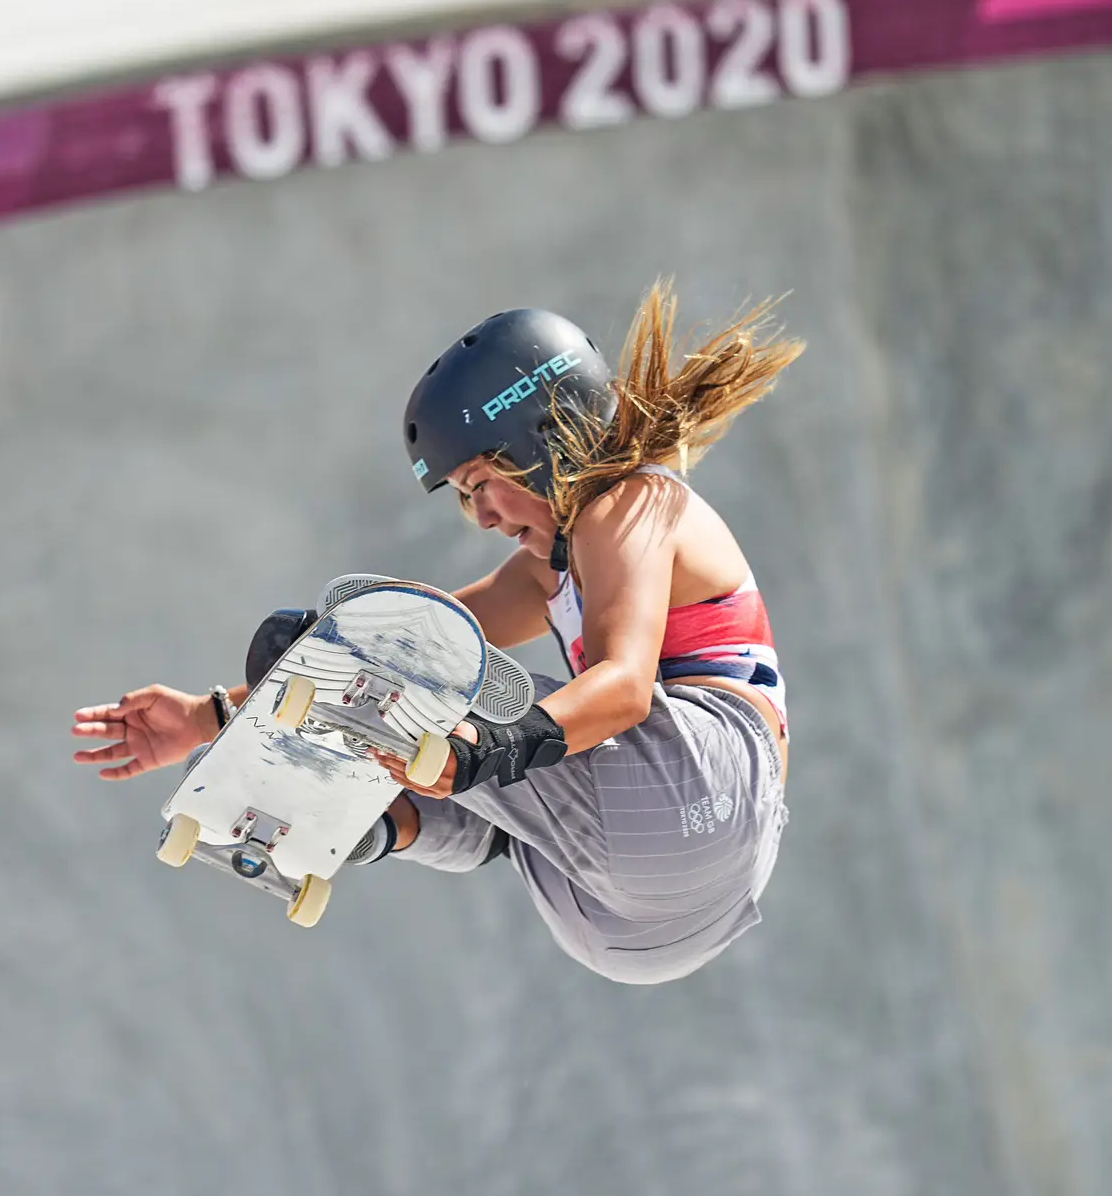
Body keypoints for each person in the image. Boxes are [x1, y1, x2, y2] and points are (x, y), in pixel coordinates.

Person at [72, 281, 802, 984]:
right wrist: (209, 718)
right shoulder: (547, 570)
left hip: (697, 798)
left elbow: (622, 688)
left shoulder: (632, 503)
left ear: (545, 440)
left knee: (435, 711)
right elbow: (374, 645)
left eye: (481, 482)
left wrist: (491, 746)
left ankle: (421, 791)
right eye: (463, 497)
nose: (482, 517)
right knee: (394, 691)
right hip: (631, 915)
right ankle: (387, 824)